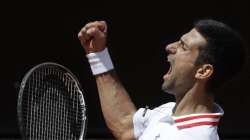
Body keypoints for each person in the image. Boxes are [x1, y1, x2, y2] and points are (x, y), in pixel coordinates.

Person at [78, 19, 247, 140]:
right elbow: (126, 126)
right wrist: (98, 56)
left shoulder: (195, 136)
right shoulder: (169, 111)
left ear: (203, 71)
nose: (169, 47)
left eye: (183, 46)